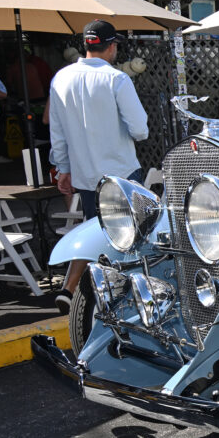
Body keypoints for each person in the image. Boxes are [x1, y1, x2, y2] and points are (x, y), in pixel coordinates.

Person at [48, 20, 148, 313]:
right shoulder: (116, 78)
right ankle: (122, 296)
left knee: (96, 230)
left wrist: (63, 168)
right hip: (120, 171)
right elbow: (140, 130)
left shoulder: (61, 78)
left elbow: (57, 132)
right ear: (112, 46)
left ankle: (74, 288)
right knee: (130, 237)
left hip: (84, 173)